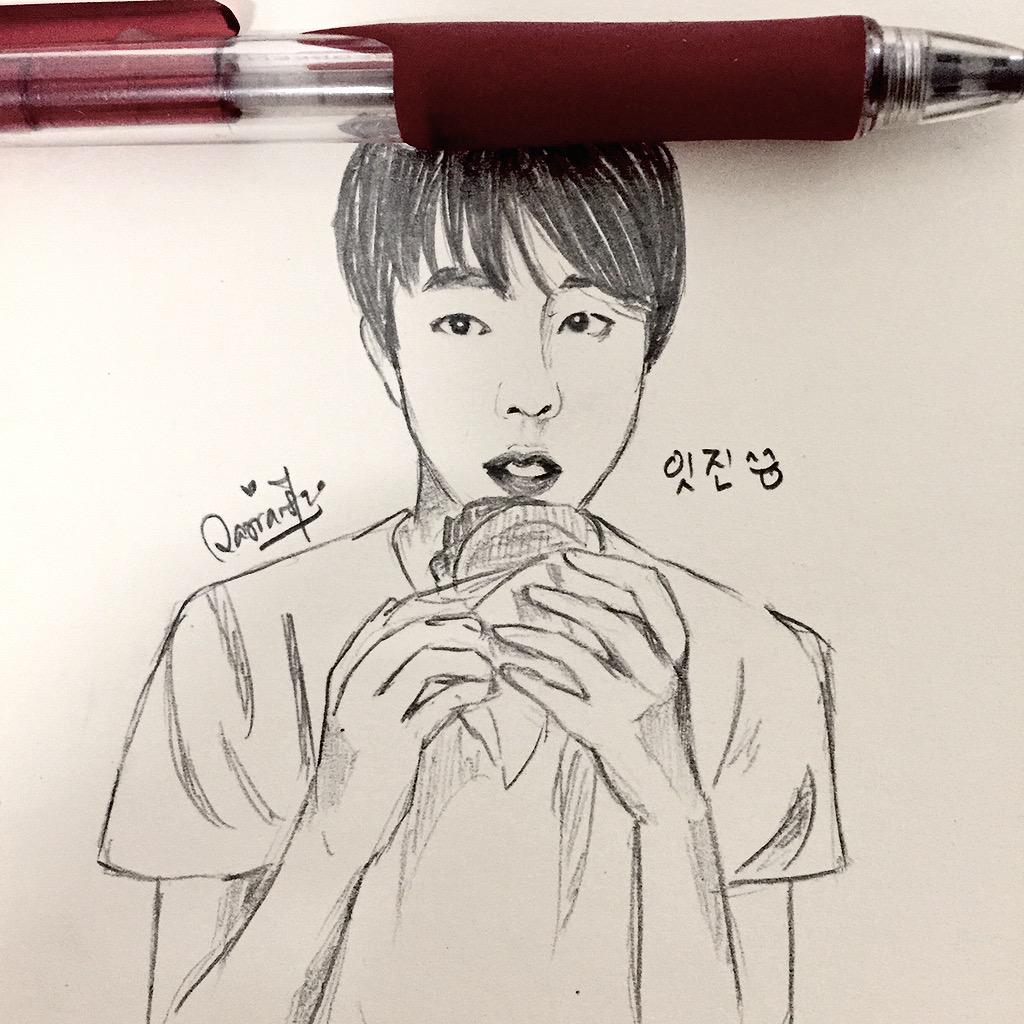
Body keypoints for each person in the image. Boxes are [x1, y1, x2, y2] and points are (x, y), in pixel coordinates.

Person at [99, 144, 845, 1024]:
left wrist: (670, 803)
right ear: (386, 351)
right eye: (461, 322)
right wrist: (337, 819)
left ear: (650, 348)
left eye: (585, 322)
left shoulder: (759, 660)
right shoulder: (242, 636)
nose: (530, 394)